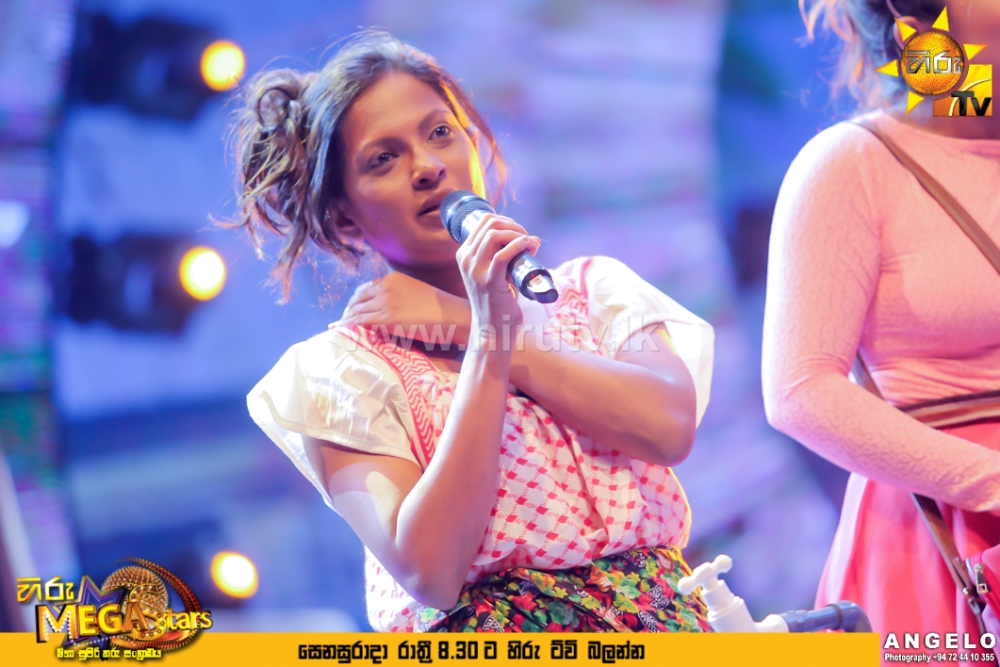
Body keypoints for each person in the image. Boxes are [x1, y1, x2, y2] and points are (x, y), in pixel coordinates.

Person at [232, 31, 715, 632]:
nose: (428, 167)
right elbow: (429, 570)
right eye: (384, 158)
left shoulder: (593, 291)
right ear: (344, 214)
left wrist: (482, 329)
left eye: (440, 132)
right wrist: (487, 341)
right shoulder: (338, 375)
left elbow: (668, 427)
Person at [763, 0, 1000, 657]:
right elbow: (800, 390)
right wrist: (991, 481)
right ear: (919, 23)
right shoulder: (852, 164)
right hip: (941, 532)